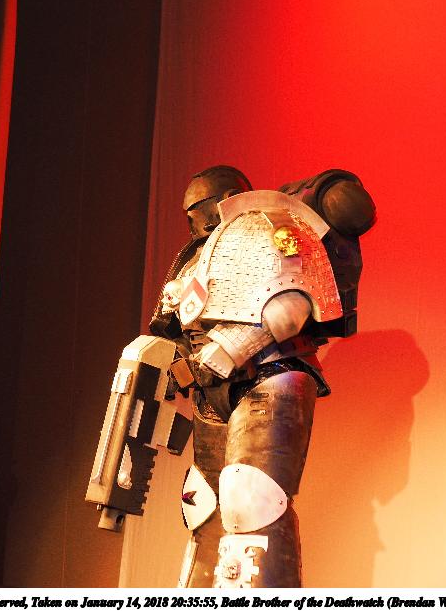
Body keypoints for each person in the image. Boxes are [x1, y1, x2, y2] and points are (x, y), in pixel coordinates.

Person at [150, 165, 375, 588]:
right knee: (204, 505)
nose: (194, 221)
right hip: (212, 389)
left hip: (272, 373)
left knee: (252, 500)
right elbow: (176, 326)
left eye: (198, 209)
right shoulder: (196, 258)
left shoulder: (271, 227)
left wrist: (229, 349)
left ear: (223, 201)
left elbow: (290, 305)